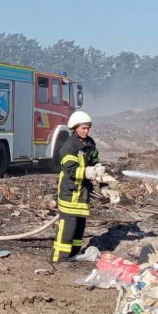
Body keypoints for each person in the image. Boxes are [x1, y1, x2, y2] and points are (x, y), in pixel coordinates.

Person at [53, 110, 105, 262]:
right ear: (75, 128)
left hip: (83, 193)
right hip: (70, 192)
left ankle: (73, 255)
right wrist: (89, 172)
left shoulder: (90, 143)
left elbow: (94, 158)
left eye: (88, 127)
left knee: (79, 226)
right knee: (68, 227)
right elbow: (70, 170)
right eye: (83, 128)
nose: (86, 130)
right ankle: (60, 259)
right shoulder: (68, 147)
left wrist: (98, 167)